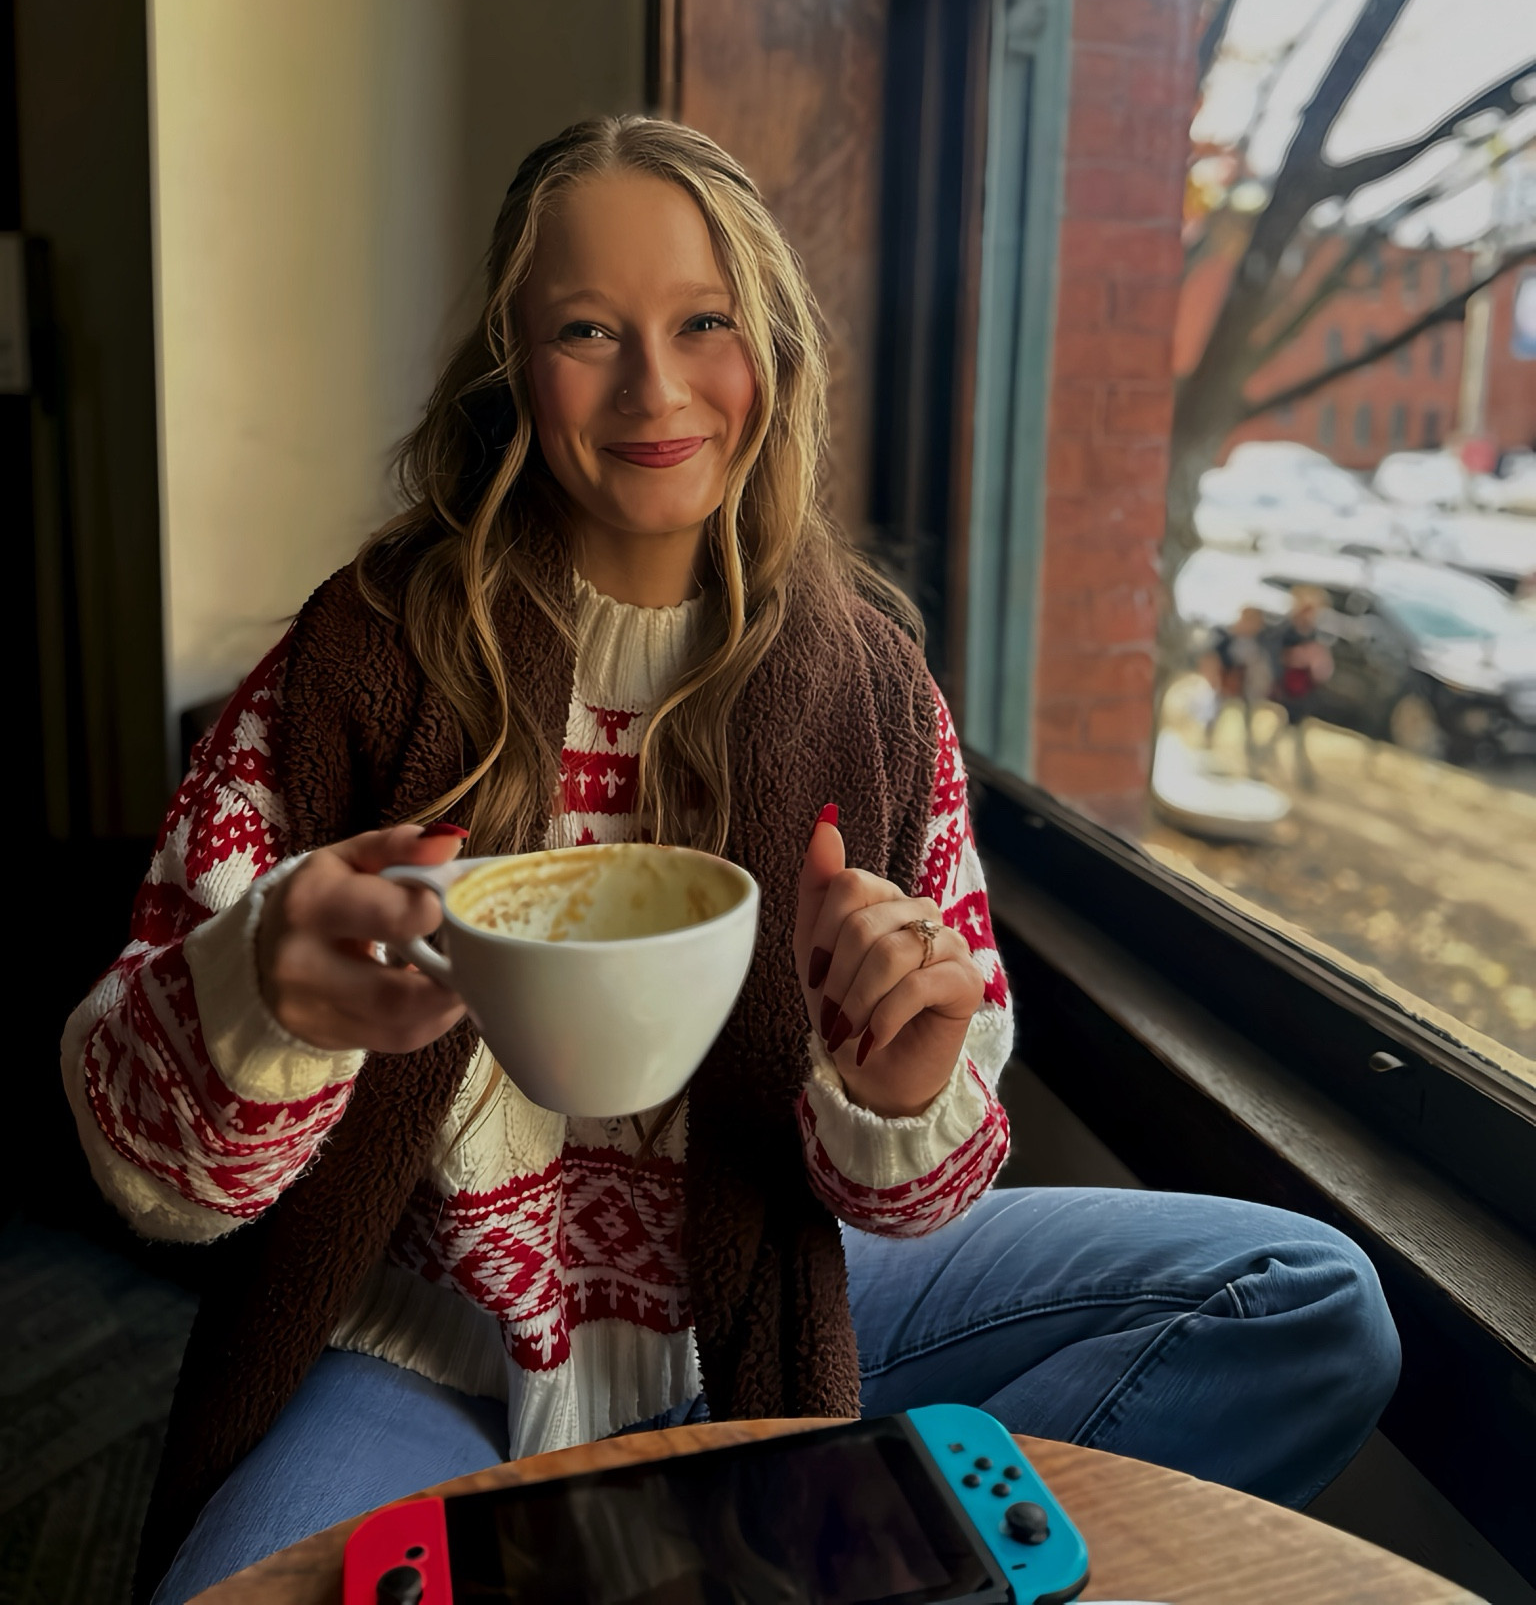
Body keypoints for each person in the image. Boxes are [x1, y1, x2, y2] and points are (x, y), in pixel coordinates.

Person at [63, 118, 1398, 1604]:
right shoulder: (359, 660)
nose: (656, 386)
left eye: (705, 321)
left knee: (1307, 1301)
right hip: (423, 1346)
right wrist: (261, 996)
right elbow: (146, 1180)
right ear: (512, 367)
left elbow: (918, 1195)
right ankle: (766, 1559)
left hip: (778, 1294)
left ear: (772, 349)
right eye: (587, 331)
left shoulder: (871, 690)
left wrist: (898, 1089)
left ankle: (792, 1556)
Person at [1274, 587, 1335, 790]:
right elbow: (1278, 656)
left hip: (1303, 691)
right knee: (1293, 734)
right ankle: (1305, 778)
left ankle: (1302, 776)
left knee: (1290, 732)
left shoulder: (1314, 634)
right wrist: (1301, 656)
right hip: (1289, 689)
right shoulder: (1287, 630)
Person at [1197, 604, 1274, 767]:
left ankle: (1250, 757)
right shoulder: (1224, 636)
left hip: (1246, 687)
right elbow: (1211, 659)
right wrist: (1215, 678)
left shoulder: (1259, 642)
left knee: (1248, 721)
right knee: (1214, 713)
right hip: (1225, 683)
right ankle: (1206, 746)